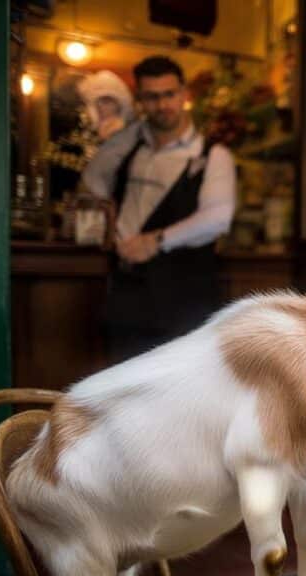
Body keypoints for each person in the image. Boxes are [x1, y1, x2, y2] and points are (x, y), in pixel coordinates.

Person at [81, 55, 237, 363]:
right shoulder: (130, 148)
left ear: (184, 95)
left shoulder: (211, 155)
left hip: (183, 299)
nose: (163, 105)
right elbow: (91, 184)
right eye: (151, 97)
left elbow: (217, 218)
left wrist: (155, 240)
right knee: (121, 387)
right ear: (140, 100)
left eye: (169, 94)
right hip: (127, 293)